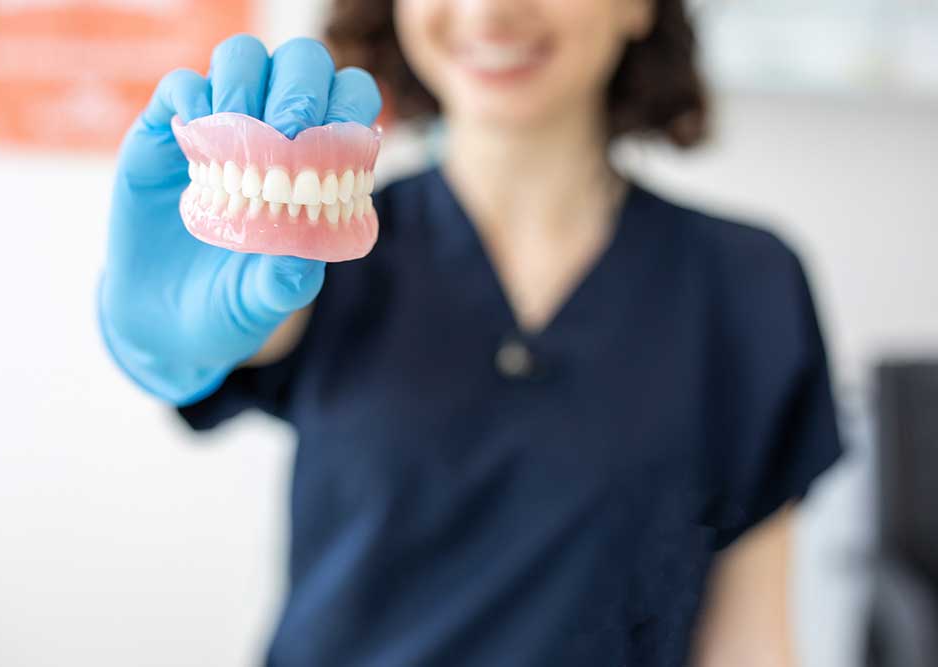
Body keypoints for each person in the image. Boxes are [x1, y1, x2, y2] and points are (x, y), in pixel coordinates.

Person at [98, 1, 844, 664]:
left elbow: (749, 641)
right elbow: (222, 343)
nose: (487, 12)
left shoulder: (747, 282)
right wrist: (162, 339)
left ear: (639, 8)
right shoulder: (318, 244)